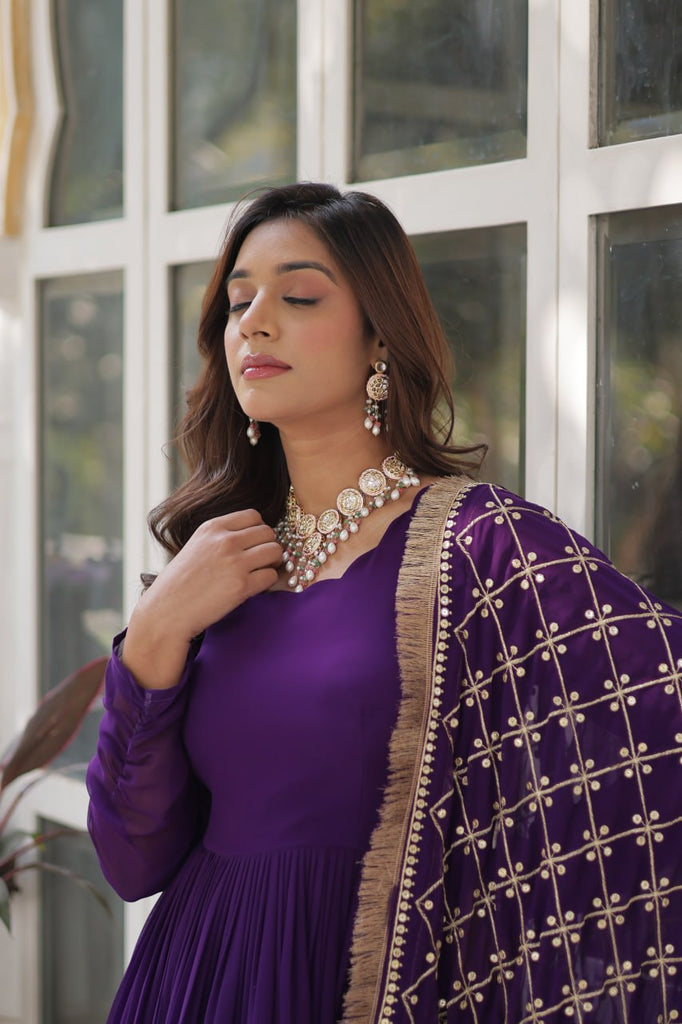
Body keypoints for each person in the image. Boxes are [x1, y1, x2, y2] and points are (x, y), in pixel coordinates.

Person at [87, 182, 682, 1024]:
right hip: (201, 976)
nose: (255, 322)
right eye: (238, 302)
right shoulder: (214, 566)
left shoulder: (484, 547)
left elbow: (656, 710)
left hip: (367, 981)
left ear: (380, 336)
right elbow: (130, 861)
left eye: (298, 296)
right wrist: (154, 632)